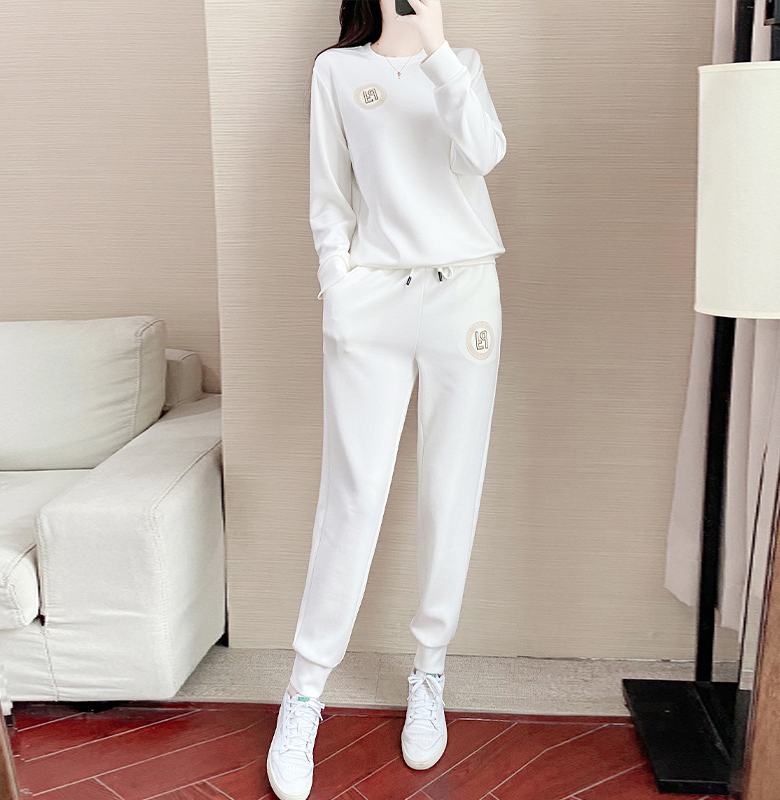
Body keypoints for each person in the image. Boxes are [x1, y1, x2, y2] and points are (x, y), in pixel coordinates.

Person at [267, 0, 506, 797]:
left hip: (463, 297)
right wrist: (338, 290)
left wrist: (436, 47)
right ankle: (305, 692)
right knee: (354, 494)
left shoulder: (459, 65)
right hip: (373, 301)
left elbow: (485, 152)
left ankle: (429, 672)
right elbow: (328, 197)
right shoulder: (336, 72)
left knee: (450, 490)